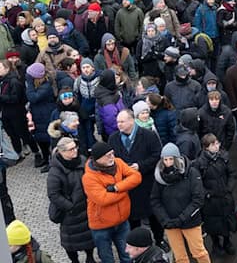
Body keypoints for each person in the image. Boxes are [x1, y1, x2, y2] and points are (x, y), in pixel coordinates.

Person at [108, 109, 163, 247]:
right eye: (117, 121)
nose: (118, 124)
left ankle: (159, 240)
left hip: (147, 184)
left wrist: (140, 166)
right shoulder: (113, 138)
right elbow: (111, 159)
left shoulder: (149, 136)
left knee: (154, 216)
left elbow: (157, 155)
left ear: (132, 120)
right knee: (132, 218)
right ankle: (138, 245)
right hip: (128, 186)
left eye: (122, 121)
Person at [81, 141, 141, 263]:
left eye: (112, 153)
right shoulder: (89, 177)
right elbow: (102, 199)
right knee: (107, 259)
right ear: (98, 159)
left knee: (128, 257)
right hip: (101, 226)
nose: (112, 157)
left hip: (122, 222)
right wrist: (125, 190)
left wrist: (116, 188)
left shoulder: (118, 163)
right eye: (107, 155)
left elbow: (136, 177)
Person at [150, 143, 209, 263]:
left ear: (177, 159)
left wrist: (181, 218)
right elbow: (155, 200)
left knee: (199, 252)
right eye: (165, 159)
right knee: (179, 257)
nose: (168, 162)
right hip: (170, 224)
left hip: (190, 222)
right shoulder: (160, 178)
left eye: (171, 159)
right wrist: (164, 220)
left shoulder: (192, 173)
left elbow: (198, 199)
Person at [46, 137, 96, 263]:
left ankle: (90, 258)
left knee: (89, 238)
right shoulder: (55, 172)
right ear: (62, 152)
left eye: (75, 147)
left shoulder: (82, 160)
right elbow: (53, 194)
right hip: (70, 213)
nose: (75, 151)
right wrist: (70, 207)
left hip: (86, 208)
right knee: (70, 243)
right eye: (71, 149)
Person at [191, 134, 237, 255]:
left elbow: (232, 173)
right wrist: (207, 194)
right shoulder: (199, 163)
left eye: (217, 143)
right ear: (206, 147)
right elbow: (197, 182)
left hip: (225, 196)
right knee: (212, 224)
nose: (216, 146)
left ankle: (227, 242)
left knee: (227, 221)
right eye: (213, 144)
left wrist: (229, 188)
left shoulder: (224, 157)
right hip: (211, 200)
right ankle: (216, 244)